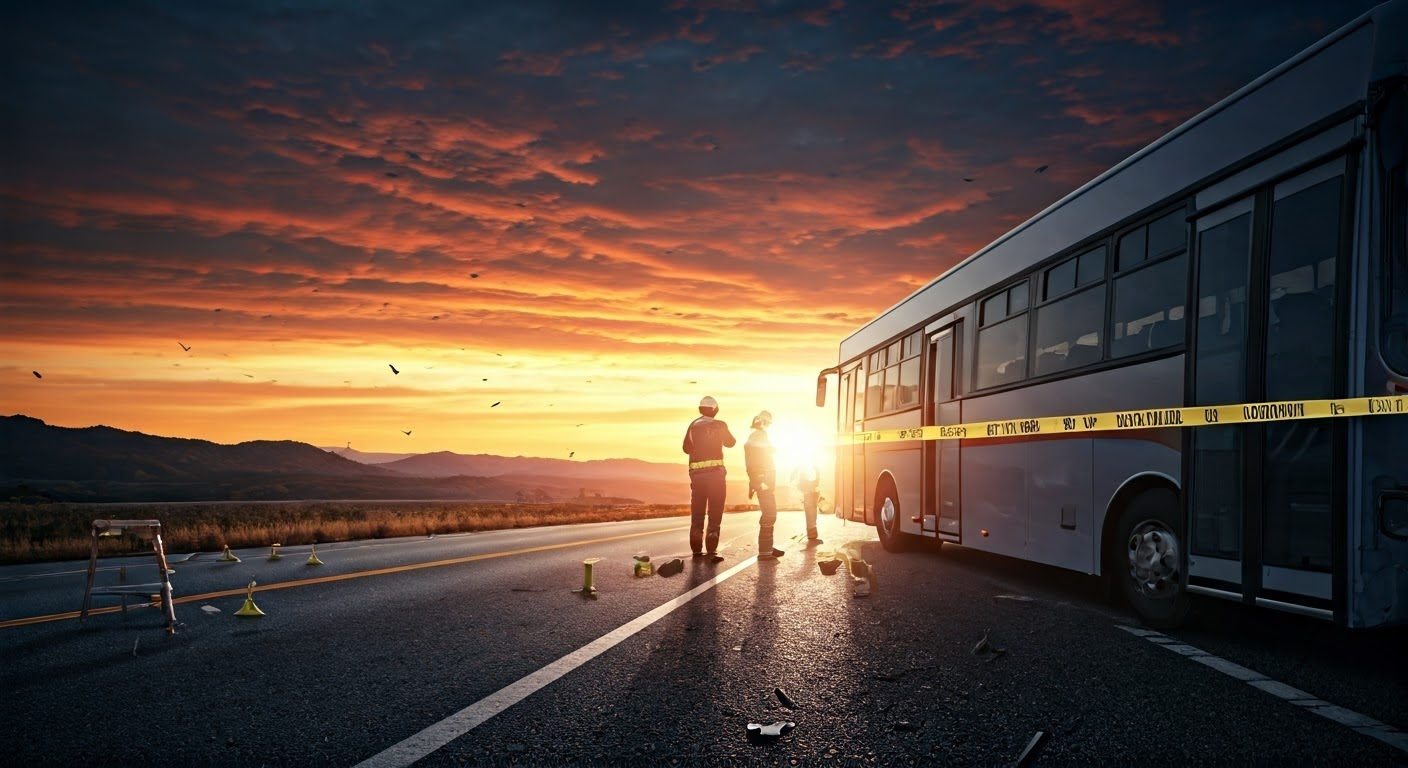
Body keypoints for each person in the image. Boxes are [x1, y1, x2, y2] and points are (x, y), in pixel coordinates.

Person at [682, 395, 735, 559]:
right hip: (716, 477)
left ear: (700, 409)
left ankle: (696, 550)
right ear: (715, 409)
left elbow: (686, 448)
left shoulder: (693, 425)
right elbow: (731, 442)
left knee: (697, 514)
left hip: (697, 477)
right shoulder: (719, 424)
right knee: (715, 512)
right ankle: (711, 550)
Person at [745, 410, 784, 560]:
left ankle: (767, 548)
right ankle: (764, 551)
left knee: (769, 513)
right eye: (767, 422)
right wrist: (758, 480)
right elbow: (756, 460)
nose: (768, 425)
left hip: (762, 480)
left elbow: (754, 459)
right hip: (763, 481)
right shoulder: (759, 436)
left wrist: (753, 481)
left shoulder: (757, 436)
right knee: (769, 514)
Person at [790, 458, 822, 545]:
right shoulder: (806, 462)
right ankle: (812, 534)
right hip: (808, 487)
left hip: (810, 487)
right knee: (811, 510)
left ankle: (812, 533)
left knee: (811, 510)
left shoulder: (806, 463)